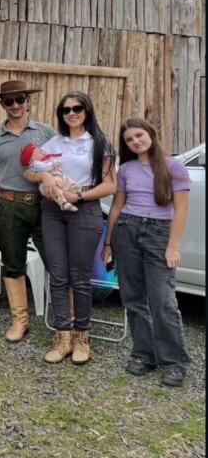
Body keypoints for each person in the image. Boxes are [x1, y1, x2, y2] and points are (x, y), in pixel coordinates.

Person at [26, 91, 116, 364]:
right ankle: (62, 336)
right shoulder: (55, 141)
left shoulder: (99, 142)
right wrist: (44, 176)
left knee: (79, 275)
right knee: (58, 274)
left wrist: (79, 196)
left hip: (84, 207)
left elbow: (110, 184)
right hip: (52, 210)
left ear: (87, 111)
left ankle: (82, 337)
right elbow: (30, 170)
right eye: (66, 110)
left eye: (77, 108)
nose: (72, 113)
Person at [102, 118, 190, 386]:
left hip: (159, 234)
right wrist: (108, 243)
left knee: (163, 300)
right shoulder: (126, 169)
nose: (135, 142)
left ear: (151, 134)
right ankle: (143, 354)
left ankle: (174, 362)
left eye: (139, 135)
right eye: (129, 139)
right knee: (133, 298)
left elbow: (181, 210)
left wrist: (173, 246)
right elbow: (116, 207)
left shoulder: (173, 167)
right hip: (126, 231)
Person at [0, 80, 55, 343]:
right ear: (2, 104)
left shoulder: (47, 132)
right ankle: (20, 320)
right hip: (8, 204)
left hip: (45, 205)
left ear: (28, 101)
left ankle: (67, 323)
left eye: (20, 99)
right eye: (9, 101)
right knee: (12, 264)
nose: (16, 105)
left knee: (57, 262)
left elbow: (61, 165)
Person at [20, 142, 83, 211]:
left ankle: (76, 193)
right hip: (50, 180)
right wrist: (51, 166)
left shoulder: (47, 158)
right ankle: (63, 203)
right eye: (38, 153)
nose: (42, 152)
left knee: (70, 182)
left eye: (41, 150)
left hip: (59, 176)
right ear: (32, 160)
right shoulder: (35, 164)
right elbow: (43, 167)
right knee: (55, 190)